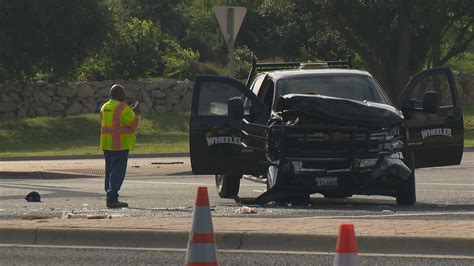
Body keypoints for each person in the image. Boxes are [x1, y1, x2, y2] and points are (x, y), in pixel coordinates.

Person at [100, 84, 140, 208]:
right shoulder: (123, 108)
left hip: (107, 144)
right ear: (118, 95)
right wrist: (136, 113)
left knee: (109, 172)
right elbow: (133, 125)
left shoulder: (104, 107)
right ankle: (112, 199)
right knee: (117, 173)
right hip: (120, 145)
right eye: (122, 93)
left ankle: (109, 196)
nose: (124, 95)